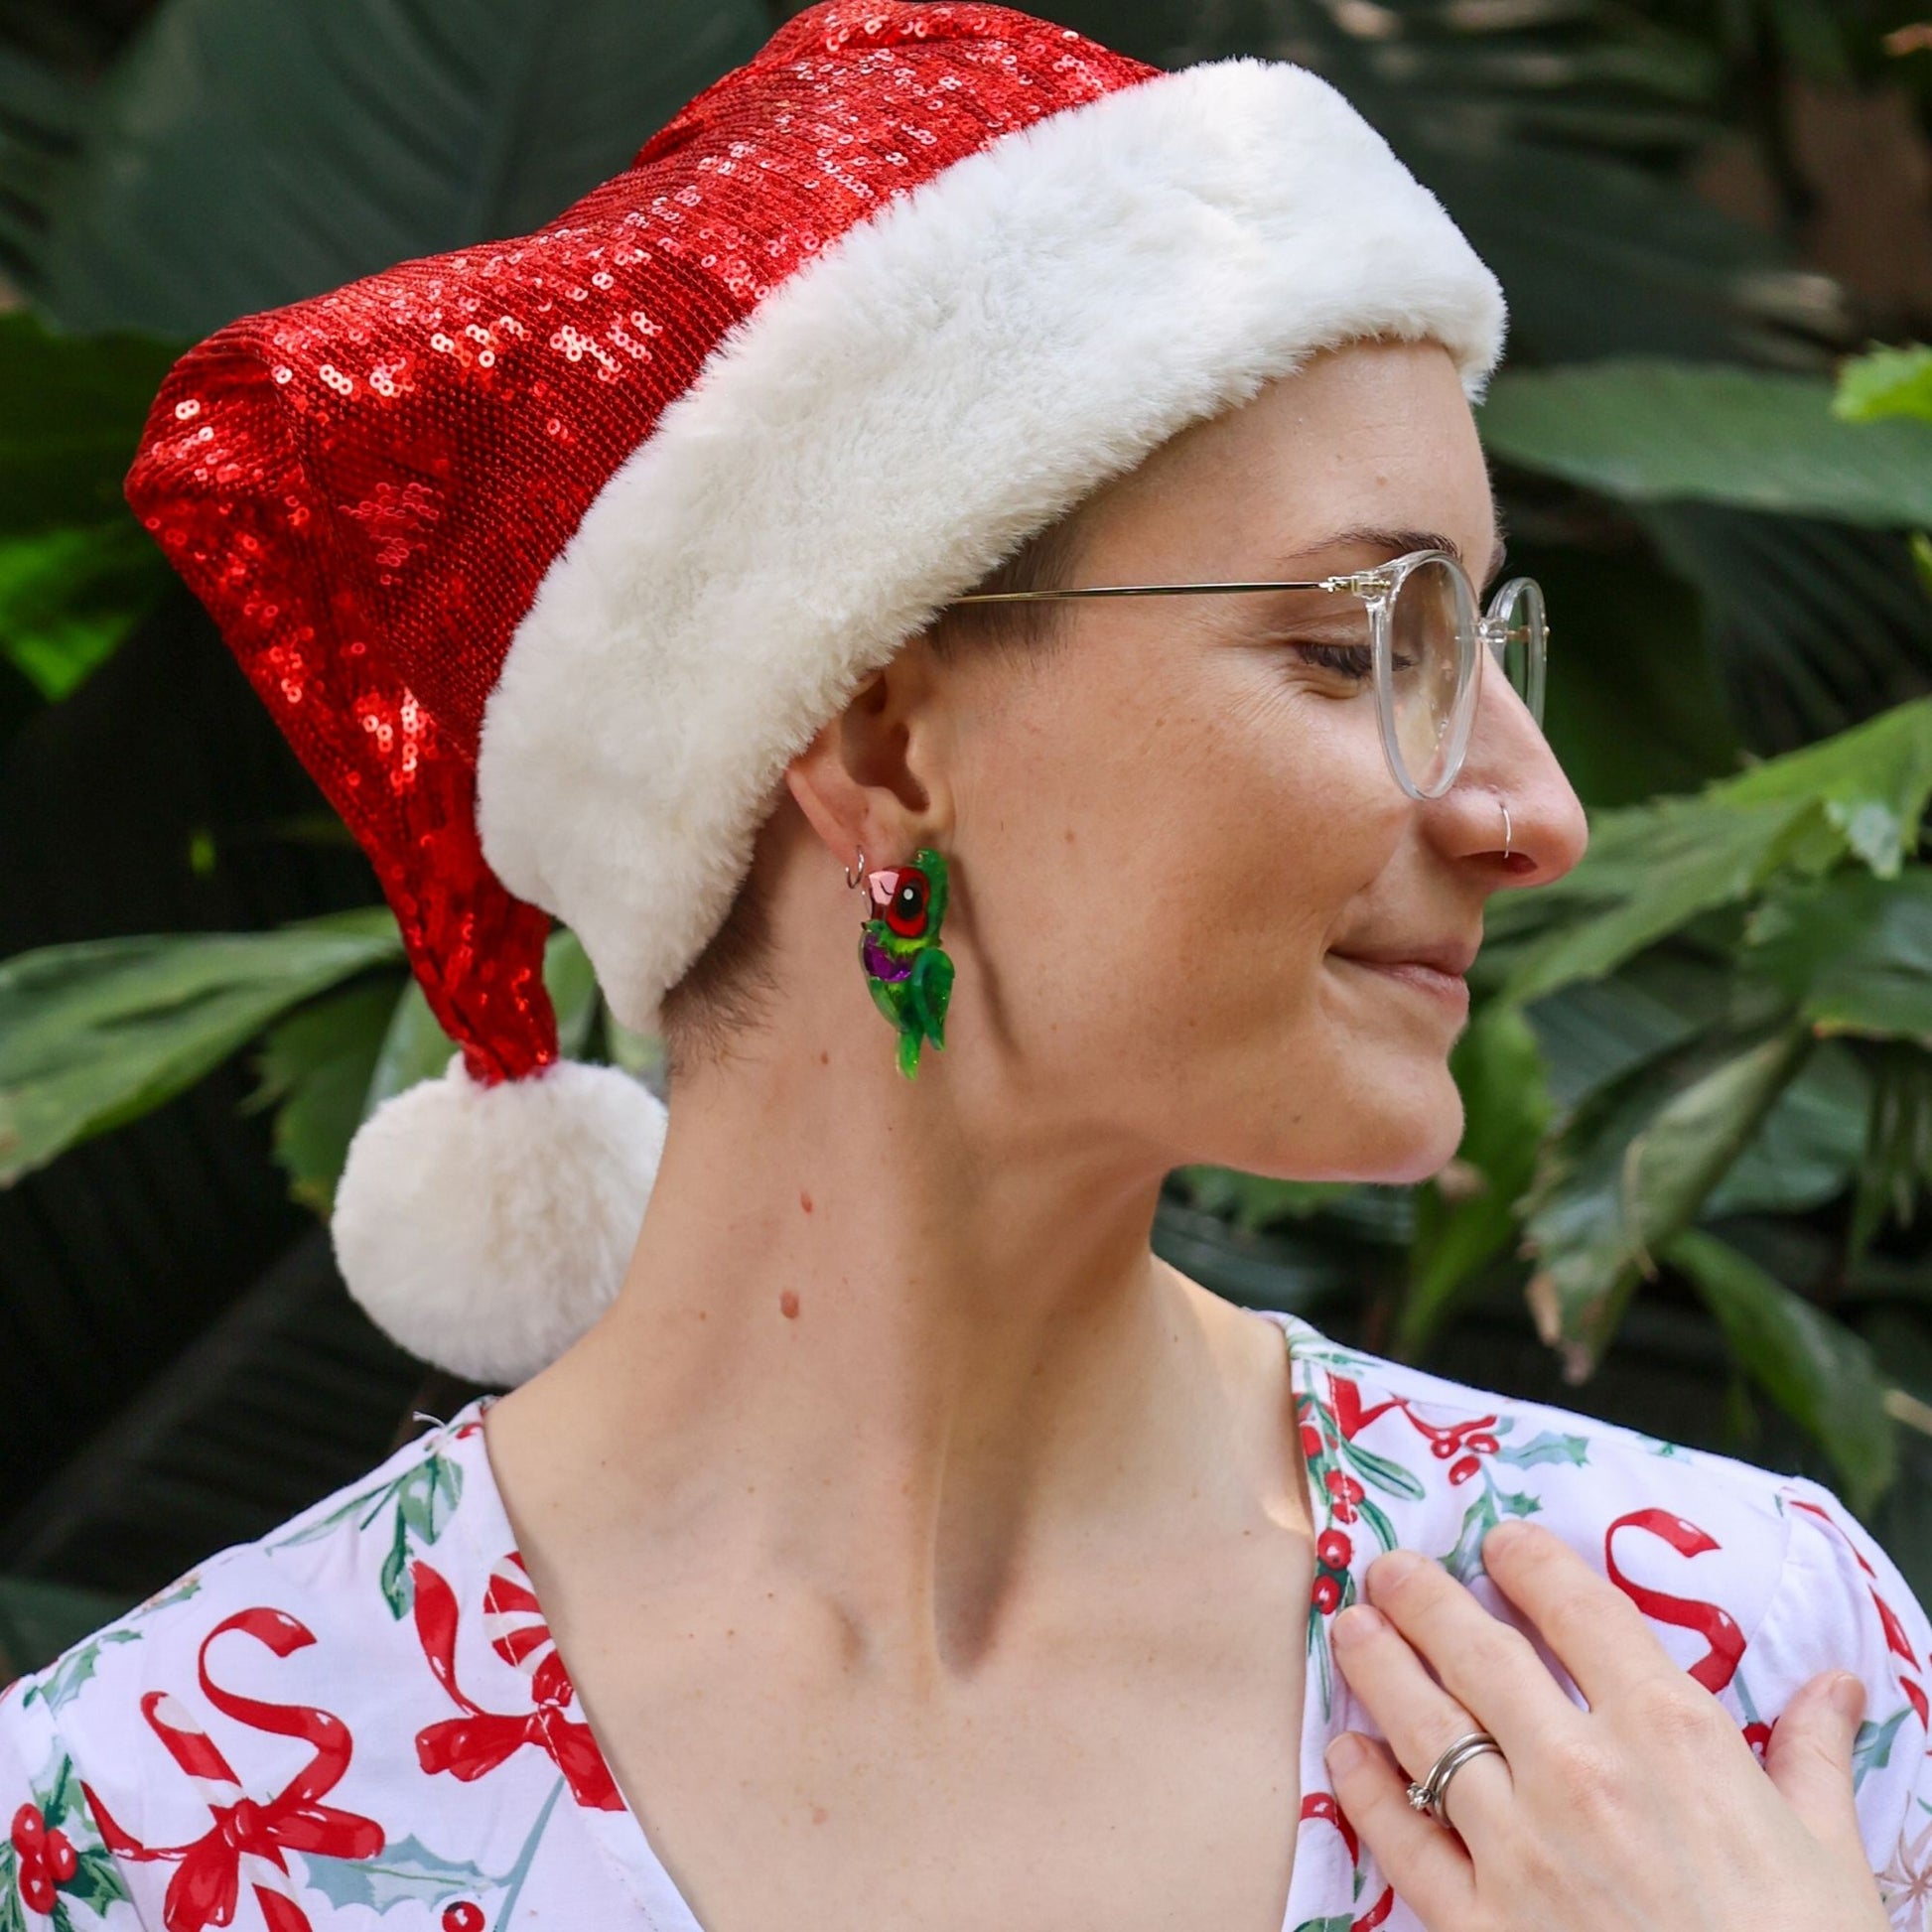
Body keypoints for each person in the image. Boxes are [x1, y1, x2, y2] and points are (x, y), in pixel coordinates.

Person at [2, 4, 1924, 1929]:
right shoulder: (159, 1828)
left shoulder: (1718, 1671)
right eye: (1362, 648)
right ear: (883, 745)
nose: (1537, 809)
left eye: (1491, 645)